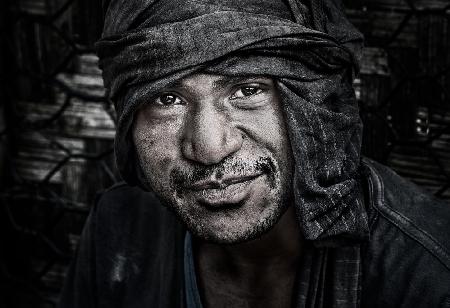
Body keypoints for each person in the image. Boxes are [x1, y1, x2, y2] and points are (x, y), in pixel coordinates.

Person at [59, 0, 450, 307]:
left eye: (247, 90)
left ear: (314, 104)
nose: (210, 149)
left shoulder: (428, 277)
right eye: (168, 98)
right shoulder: (119, 227)